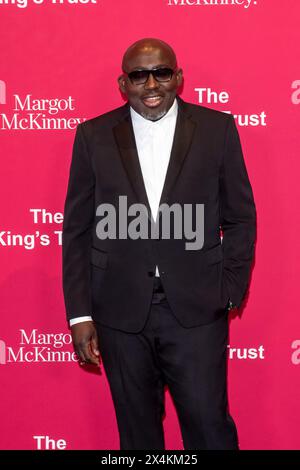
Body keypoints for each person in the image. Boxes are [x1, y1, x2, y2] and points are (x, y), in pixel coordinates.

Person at [62, 37, 256, 450]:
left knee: (209, 430)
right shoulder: (93, 136)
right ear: (123, 83)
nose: (151, 85)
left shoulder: (216, 129)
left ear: (178, 77)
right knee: (137, 438)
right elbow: (77, 229)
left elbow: (240, 218)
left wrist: (228, 289)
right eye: (138, 75)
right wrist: (80, 316)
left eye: (161, 73)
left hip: (196, 311)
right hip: (119, 315)